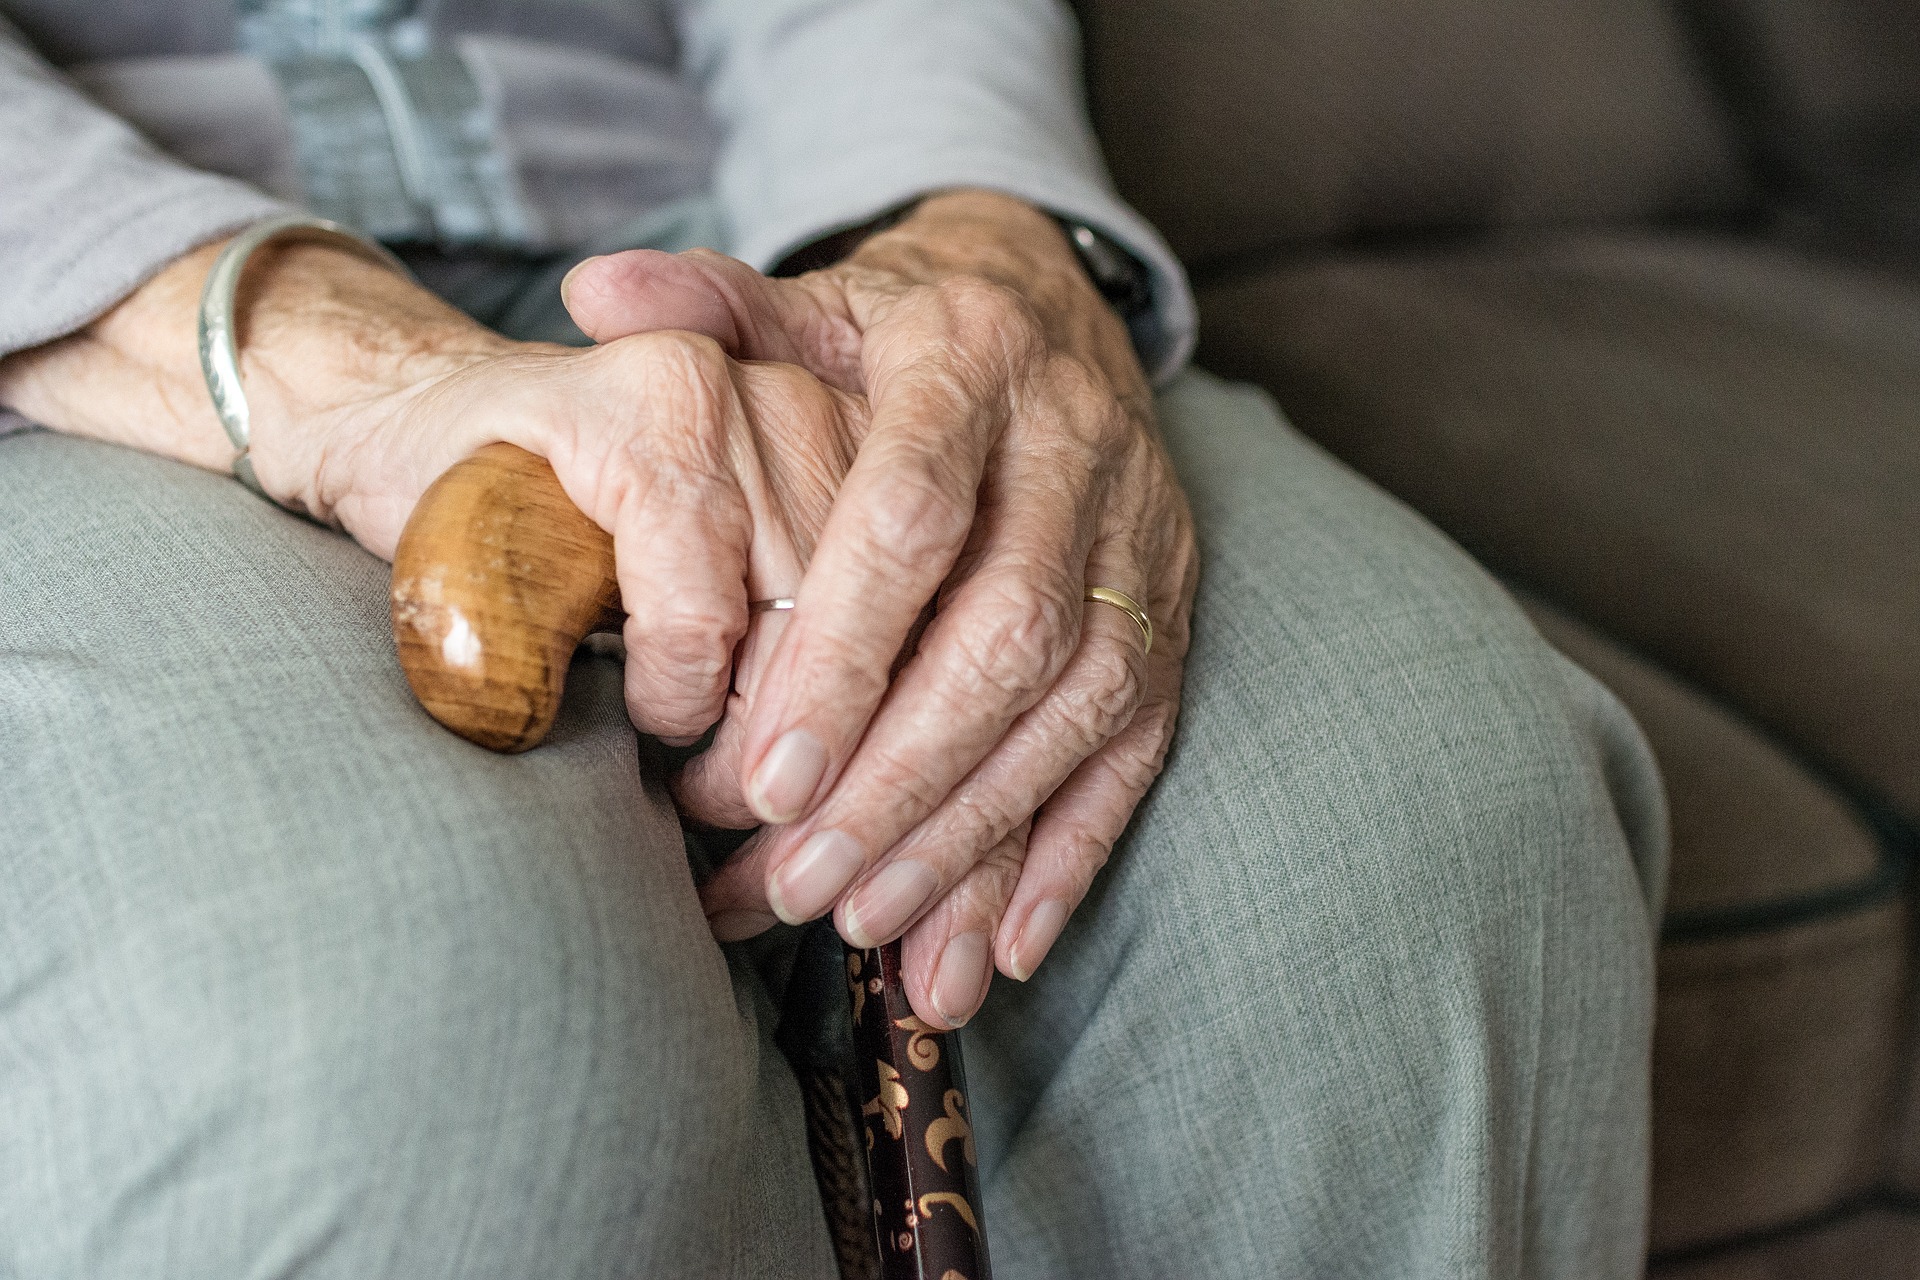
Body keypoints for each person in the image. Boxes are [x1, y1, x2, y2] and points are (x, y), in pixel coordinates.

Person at [0, 1, 1667, 1276]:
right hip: (75, 312)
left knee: (1425, 840)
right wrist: (330, 363)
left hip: (739, 243)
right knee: (395, 1041)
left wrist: (978, 242)